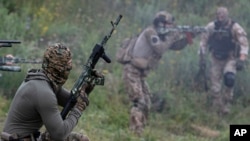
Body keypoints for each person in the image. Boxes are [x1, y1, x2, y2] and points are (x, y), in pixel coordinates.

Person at [1, 43, 101, 141]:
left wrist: (86, 88)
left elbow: (71, 102)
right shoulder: (44, 92)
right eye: (68, 68)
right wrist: (79, 108)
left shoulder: (43, 81)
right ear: (60, 70)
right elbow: (60, 134)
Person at [121, 11, 195, 136]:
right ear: (161, 23)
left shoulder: (161, 35)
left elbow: (175, 46)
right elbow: (160, 48)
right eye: (169, 24)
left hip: (140, 74)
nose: (171, 26)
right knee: (139, 102)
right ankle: (135, 133)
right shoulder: (151, 32)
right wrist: (171, 37)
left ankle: (139, 131)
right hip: (132, 71)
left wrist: (189, 38)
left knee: (147, 102)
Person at [199, 7, 249, 115]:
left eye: (223, 16)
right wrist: (202, 57)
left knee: (229, 79)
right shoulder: (211, 27)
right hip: (215, 58)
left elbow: (244, 43)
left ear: (227, 16)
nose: (220, 18)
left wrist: (242, 58)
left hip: (230, 58)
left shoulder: (234, 27)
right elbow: (203, 42)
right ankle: (217, 108)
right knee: (215, 86)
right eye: (218, 16)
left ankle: (226, 105)